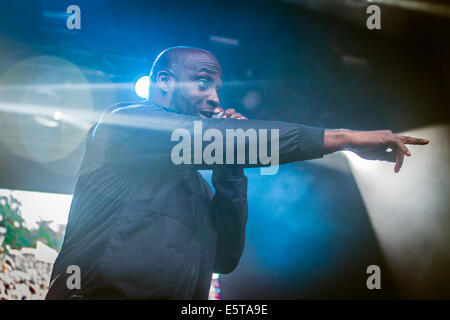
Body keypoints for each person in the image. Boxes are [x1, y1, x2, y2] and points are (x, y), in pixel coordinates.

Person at [46, 46, 429, 300]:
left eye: (217, 87)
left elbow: (224, 258)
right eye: (202, 82)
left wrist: (231, 166)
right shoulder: (125, 124)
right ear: (164, 81)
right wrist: (345, 138)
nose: (215, 97)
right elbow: (217, 139)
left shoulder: (194, 184)